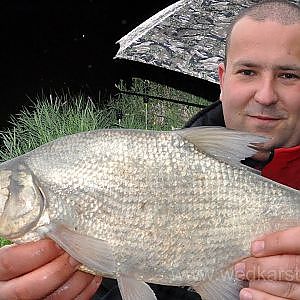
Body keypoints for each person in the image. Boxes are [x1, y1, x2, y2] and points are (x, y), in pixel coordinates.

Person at [1, 0, 300, 299]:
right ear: (222, 80)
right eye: (247, 72)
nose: (265, 95)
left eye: (289, 75)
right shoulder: (162, 162)